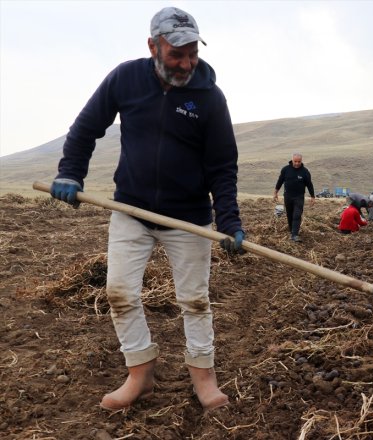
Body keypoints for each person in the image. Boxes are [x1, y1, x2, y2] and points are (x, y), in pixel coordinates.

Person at [49, 7, 243, 412]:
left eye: (192, 52)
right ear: (153, 46)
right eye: (177, 54)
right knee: (119, 292)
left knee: (194, 301)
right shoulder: (126, 78)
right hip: (131, 210)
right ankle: (140, 372)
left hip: (188, 218)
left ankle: (203, 376)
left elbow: (222, 168)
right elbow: (86, 128)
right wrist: (70, 173)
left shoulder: (209, 97)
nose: (187, 63)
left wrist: (229, 222)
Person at [273, 153, 315, 242]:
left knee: (297, 215)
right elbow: (280, 181)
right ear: (292, 160)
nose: (297, 163)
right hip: (287, 196)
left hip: (299, 197)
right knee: (289, 214)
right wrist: (275, 192)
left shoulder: (305, 172)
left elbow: (309, 185)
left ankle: (294, 235)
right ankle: (292, 231)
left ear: (301, 161)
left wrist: (312, 196)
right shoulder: (285, 169)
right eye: (295, 161)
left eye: (299, 161)